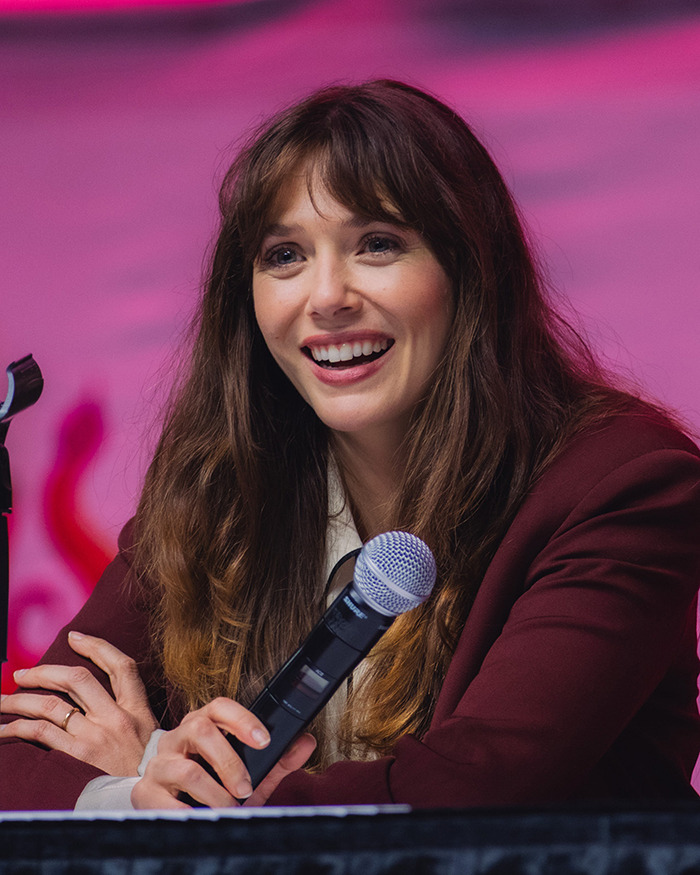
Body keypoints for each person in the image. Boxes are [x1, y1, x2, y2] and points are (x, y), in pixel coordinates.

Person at [1, 79, 700, 811]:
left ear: (469, 270)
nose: (327, 296)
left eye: (377, 244)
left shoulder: (625, 483)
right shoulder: (217, 491)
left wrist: (176, 791)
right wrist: (135, 791)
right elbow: (18, 752)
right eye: (284, 256)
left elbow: (477, 788)